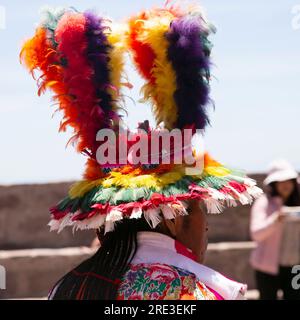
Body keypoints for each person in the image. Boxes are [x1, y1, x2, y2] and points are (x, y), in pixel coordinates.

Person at [20, 3, 262, 300]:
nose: (207, 226)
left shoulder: (66, 289)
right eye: (199, 209)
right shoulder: (205, 291)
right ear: (173, 218)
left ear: (101, 231)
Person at [250, 160, 300, 300]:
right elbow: (256, 234)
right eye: (280, 181)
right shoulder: (263, 203)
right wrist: (275, 220)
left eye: (288, 180)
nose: (285, 185)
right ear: (274, 184)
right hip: (266, 268)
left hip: (295, 267)